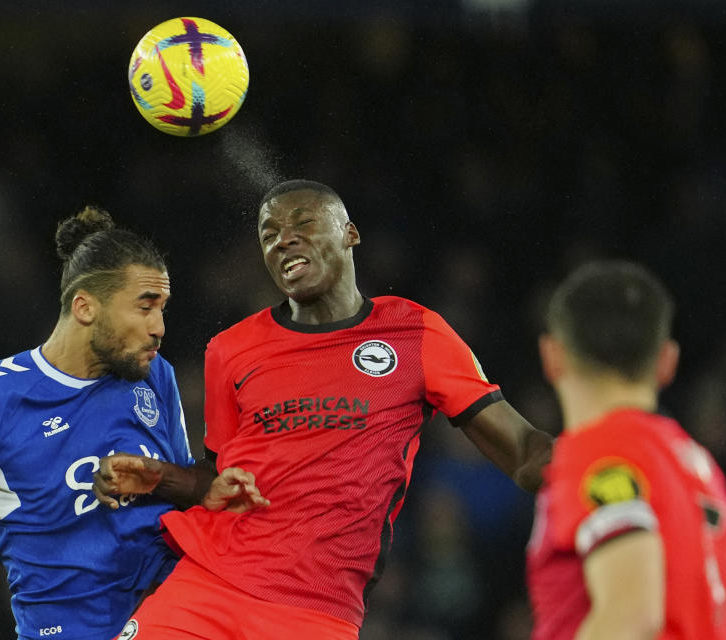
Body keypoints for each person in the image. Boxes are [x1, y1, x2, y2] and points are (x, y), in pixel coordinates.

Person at [96, 179, 555, 639]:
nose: (284, 238)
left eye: (303, 222)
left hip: (316, 612)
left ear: (350, 234)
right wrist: (159, 477)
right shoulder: (231, 350)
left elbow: (521, 449)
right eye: (269, 234)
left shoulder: (415, 334)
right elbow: (219, 480)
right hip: (208, 587)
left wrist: (599, 459)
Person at [0, 206, 268, 639]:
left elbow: (191, 486)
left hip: (172, 612)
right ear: (85, 307)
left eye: (162, 308)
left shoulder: (155, 375)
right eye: (145, 307)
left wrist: (161, 478)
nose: (159, 327)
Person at [526, 260, 726, 639]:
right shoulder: (701, 470)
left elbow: (632, 617)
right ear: (667, 362)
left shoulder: (596, 453)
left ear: (552, 356)